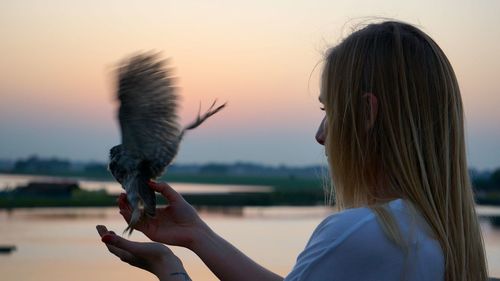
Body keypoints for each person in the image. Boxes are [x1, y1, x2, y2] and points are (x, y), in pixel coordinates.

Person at [96, 20, 489, 281]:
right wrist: (199, 236)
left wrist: (169, 268)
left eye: (329, 111)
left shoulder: (361, 234)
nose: (321, 135)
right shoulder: (432, 233)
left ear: (367, 113)